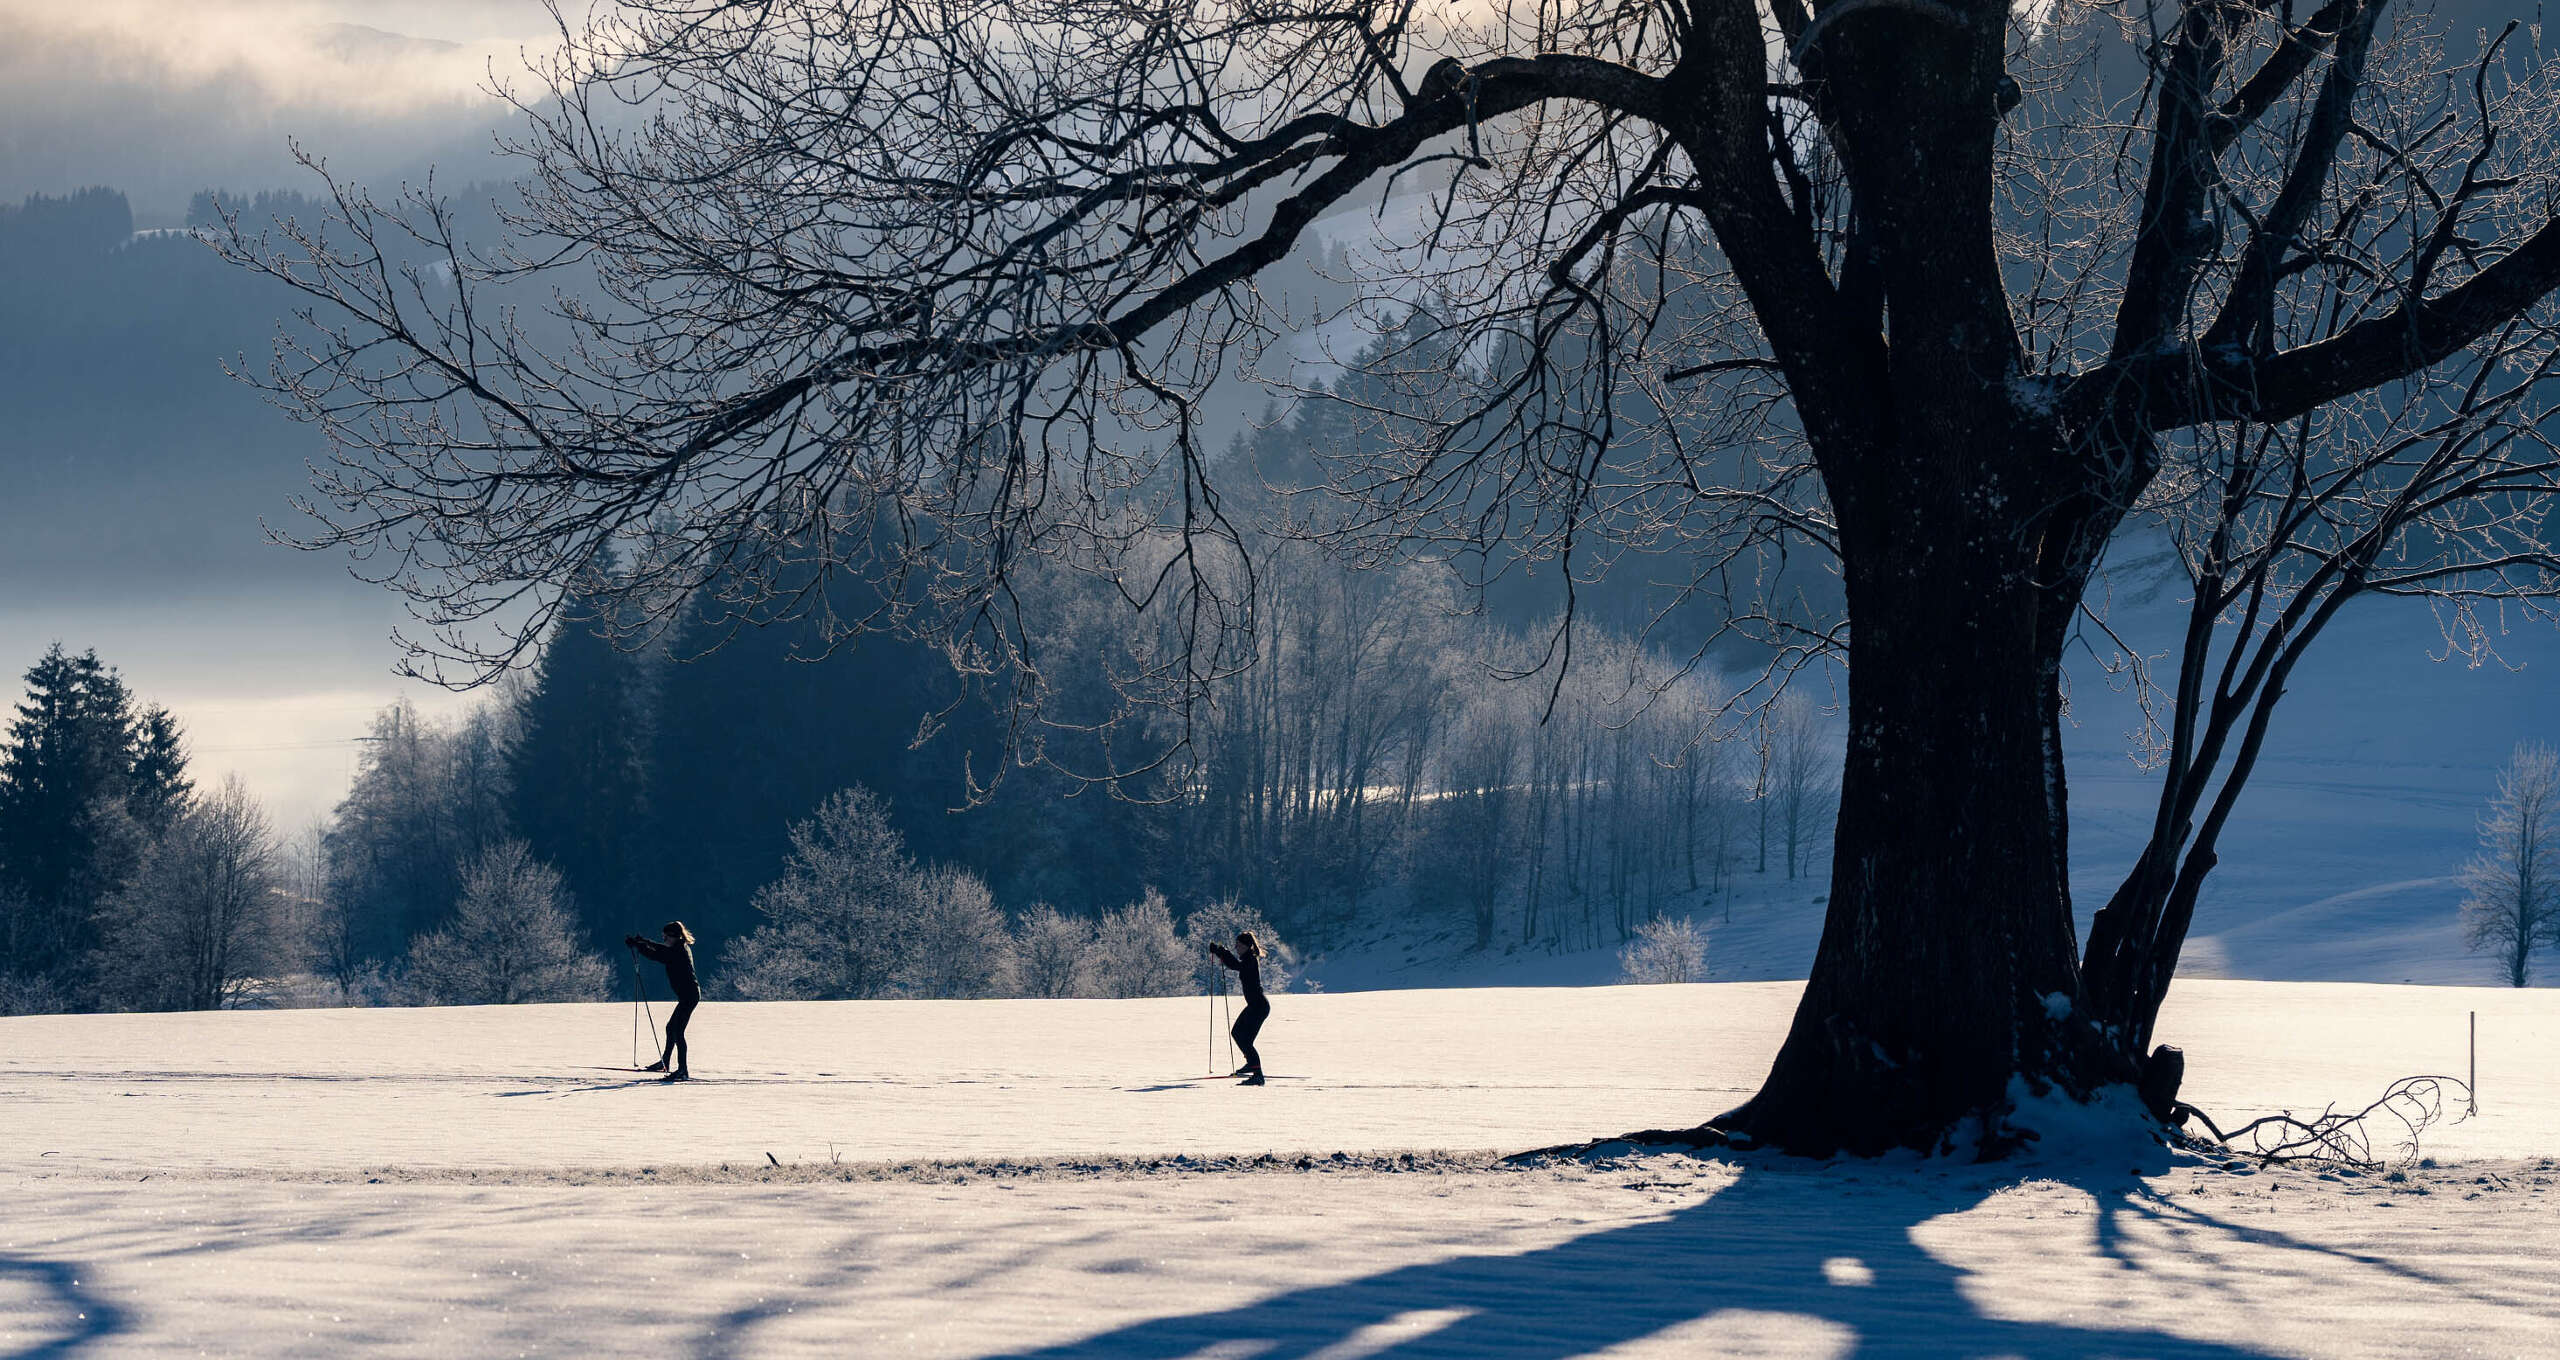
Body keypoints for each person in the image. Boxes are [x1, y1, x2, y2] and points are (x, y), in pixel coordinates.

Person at [625, 921, 699, 1081]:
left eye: (665, 935)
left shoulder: (678, 950)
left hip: (689, 996)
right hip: (688, 995)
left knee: (678, 1031)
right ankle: (665, 1063)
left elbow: (658, 955)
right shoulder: (678, 946)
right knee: (671, 1027)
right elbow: (661, 949)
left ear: (672, 935)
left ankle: (683, 1070)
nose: (663, 937)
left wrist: (639, 946)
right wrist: (644, 941)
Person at [1207, 931, 1269, 1085]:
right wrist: (1222, 952)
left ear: (1247, 946)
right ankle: (1252, 1065)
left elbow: (1236, 965)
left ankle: (1258, 1075)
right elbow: (1235, 964)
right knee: (1238, 1034)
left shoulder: (1250, 960)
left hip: (1258, 1006)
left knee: (1245, 1040)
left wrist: (1222, 952)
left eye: (1239, 945)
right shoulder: (1248, 959)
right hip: (1255, 1005)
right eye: (1236, 945)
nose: (1236, 948)